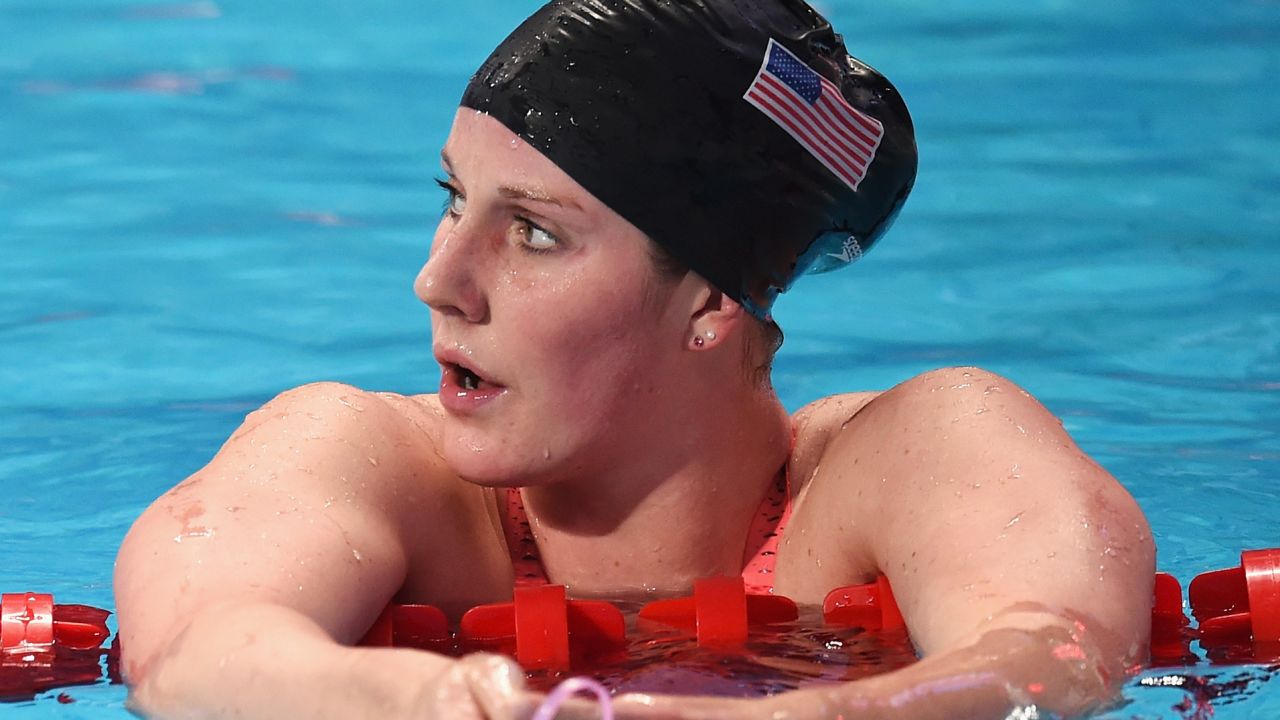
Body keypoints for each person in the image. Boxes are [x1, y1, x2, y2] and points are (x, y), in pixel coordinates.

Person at [114, 1, 1154, 718]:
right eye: (451, 201)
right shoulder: (367, 462)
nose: (437, 281)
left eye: (531, 232)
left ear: (707, 297)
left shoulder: (911, 456)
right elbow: (195, 659)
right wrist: (445, 702)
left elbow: (1052, 656)